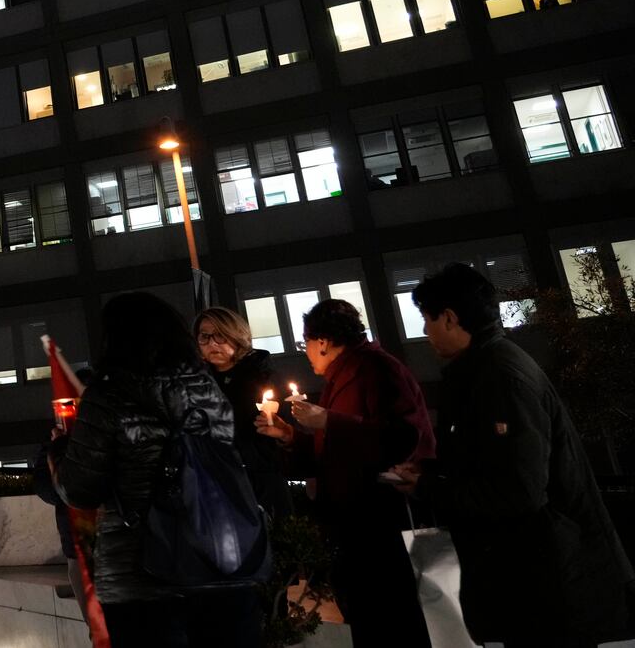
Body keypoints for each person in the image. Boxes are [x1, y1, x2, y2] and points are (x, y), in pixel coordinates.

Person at [400, 263, 633, 647]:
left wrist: (428, 487)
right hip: (534, 576)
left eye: (426, 319)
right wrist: (430, 471)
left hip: (545, 580)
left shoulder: (500, 377)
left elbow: (517, 490)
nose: (424, 332)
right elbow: (487, 460)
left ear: (450, 317)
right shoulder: (484, 370)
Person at [53, 292, 263, 648]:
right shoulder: (206, 389)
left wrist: (61, 449)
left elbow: (79, 489)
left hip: (143, 575)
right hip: (222, 561)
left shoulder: (107, 396)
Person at [256, 299, 434, 648]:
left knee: (393, 622)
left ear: (321, 341)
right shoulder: (347, 375)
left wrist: (328, 421)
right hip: (354, 529)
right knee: (370, 621)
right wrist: (290, 437)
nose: (306, 352)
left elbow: (402, 437)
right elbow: (332, 455)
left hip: (380, 527)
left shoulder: (376, 368)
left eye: (305, 343)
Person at [194, 306, 292, 520]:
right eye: (204, 336)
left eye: (219, 335)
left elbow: (290, 432)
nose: (212, 343)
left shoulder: (263, 377)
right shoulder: (197, 383)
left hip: (259, 484)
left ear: (236, 336)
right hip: (215, 487)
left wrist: (282, 434)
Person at [31, 367, 95, 602]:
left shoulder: (110, 433)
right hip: (76, 545)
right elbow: (46, 488)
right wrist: (58, 450)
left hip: (115, 544)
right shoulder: (58, 437)